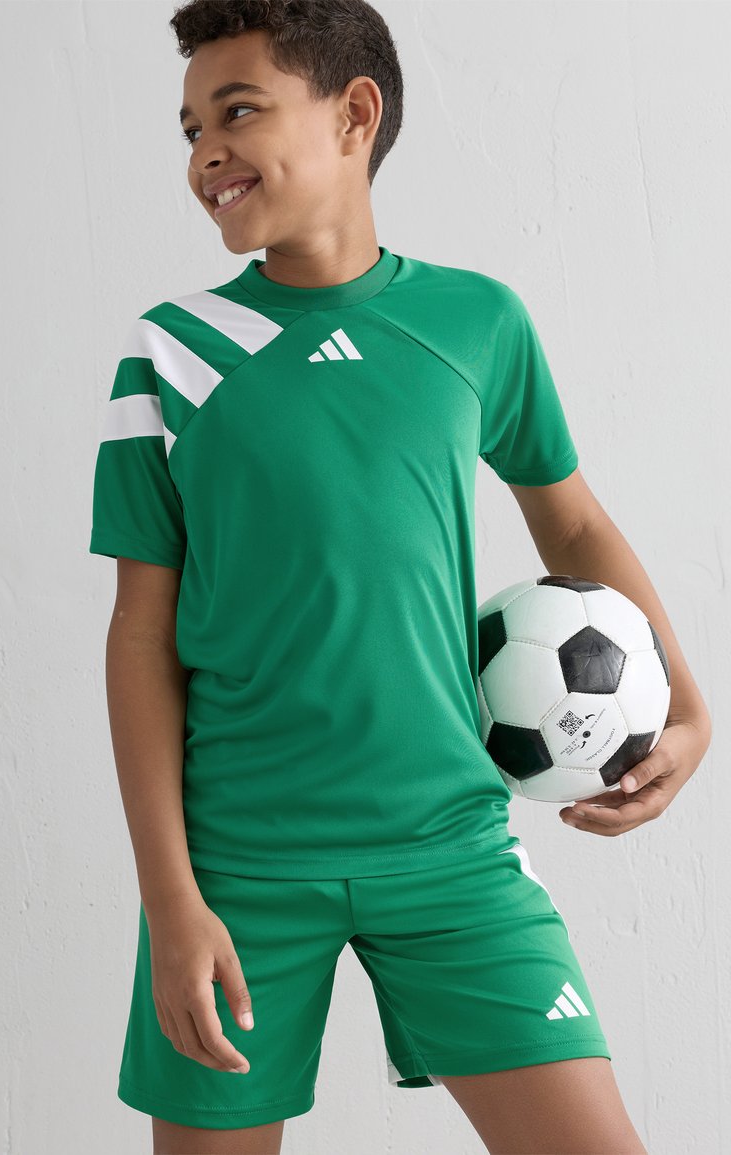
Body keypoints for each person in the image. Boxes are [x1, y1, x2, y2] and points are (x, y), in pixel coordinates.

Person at [88, 2, 712, 1153]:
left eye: (237, 112)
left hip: (451, 851)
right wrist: (173, 904)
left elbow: (567, 519)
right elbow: (140, 636)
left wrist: (683, 704)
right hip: (240, 868)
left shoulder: (474, 322)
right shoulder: (168, 351)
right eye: (188, 130)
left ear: (353, 116)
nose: (204, 153)